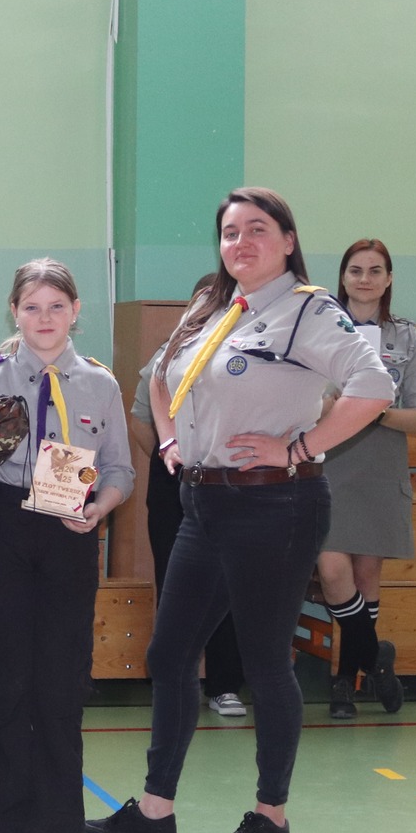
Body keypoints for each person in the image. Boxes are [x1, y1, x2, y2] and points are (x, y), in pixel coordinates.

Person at [84, 187, 392, 833]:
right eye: (230, 232)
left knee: (263, 660)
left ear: (287, 240)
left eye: (257, 230)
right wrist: (172, 440)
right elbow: (159, 379)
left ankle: (271, 816)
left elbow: (374, 388)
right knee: (170, 655)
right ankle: (156, 810)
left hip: (275, 506)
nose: (241, 242)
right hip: (204, 503)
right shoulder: (215, 307)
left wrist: (299, 447)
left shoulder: (309, 310)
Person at [0, 260, 133, 833]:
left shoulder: (99, 383)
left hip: (68, 529)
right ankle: (2, 824)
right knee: (8, 681)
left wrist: (100, 508)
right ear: (14, 312)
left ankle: (56, 826)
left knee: (60, 682)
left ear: (76, 312)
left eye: (57, 306)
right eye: (32, 307)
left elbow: (120, 470)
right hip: (3, 529)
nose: (45, 318)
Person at [318, 239, 416, 719]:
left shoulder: (408, 338)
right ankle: (376, 658)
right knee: (331, 568)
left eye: (375, 271)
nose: (364, 279)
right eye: (356, 270)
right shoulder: (318, 329)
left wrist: (373, 410)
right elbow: (303, 403)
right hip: (328, 459)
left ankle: (346, 681)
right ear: (342, 277)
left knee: (366, 576)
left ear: (388, 280)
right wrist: (332, 405)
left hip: (381, 464)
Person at [126, 274, 246, 718]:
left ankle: (225, 684)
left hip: (231, 481)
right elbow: (140, 418)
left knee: (228, 582)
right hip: (175, 484)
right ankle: (176, 681)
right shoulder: (169, 354)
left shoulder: (245, 357)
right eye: (204, 301)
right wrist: (168, 456)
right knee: (175, 581)